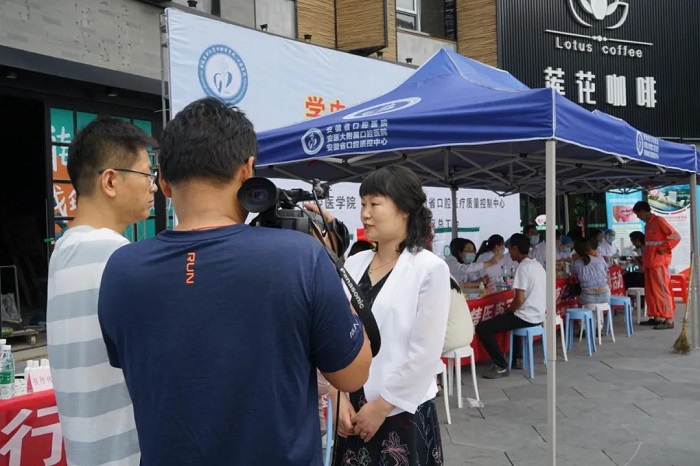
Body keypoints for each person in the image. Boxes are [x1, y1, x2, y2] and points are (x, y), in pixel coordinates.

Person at [98, 97, 372, 465]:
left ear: (163, 182)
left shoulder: (121, 270)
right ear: (247, 170)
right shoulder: (300, 258)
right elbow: (353, 375)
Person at [46, 118, 158, 466]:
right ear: (110, 181)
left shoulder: (64, 250)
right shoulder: (114, 255)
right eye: (146, 174)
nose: (154, 186)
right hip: (125, 454)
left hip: (87, 450)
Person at [331, 165, 450, 466]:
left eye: (375, 204)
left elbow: (425, 354)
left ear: (405, 210)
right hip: (351, 408)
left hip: (400, 409)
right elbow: (333, 336)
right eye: (362, 204)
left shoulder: (429, 268)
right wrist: (337, 397)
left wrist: (381, 407)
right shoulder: (354, 264)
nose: (365, 214)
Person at [475, 233, 546, 379]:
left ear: (514, 249)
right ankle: (516, 358)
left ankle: (501, 365)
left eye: (509, 250)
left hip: (526, 316)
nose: (508, 253)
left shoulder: (523, 267)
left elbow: (519, 300)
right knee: (510, 319)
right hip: (538, 315)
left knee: (483, 328)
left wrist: (508, 311)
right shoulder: (537, 265)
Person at [633, 201, 681, 329]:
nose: (638, 217)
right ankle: (656, 317)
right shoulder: (648, 224)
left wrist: (665, 247)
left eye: (637, 214)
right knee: (651, 291)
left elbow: (676, 236)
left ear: (643, 211)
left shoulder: (659, 220)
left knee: (662, 290)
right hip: (649, 262)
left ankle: (668, 319)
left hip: (659, 262)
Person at [570, 238, 610, 305]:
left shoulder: (576, 263)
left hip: (587, 298)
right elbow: (606, 273)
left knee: (579, 302)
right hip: (605, 297)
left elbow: (574, 275)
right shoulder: (600, 259)